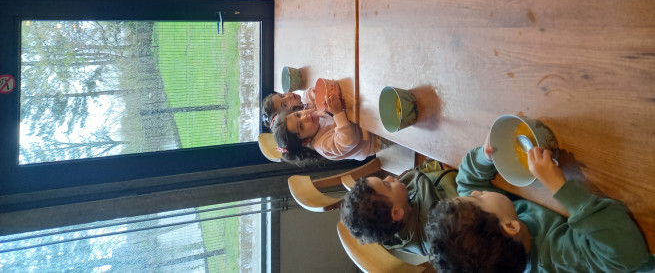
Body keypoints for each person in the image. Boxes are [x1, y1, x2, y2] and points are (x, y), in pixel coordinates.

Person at [425, 137, 650, 272]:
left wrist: (485, 158)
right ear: (510, 226)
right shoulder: (559, 259)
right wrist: (559, 186)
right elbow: (626, 254)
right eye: (478, 198)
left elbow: (466, 183)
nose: (475, 192)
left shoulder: (498, 228)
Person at [340, 160, 458, 256]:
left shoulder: (399, 202)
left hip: (448, 165)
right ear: (396, 213)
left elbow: (416, 173)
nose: (389, 177)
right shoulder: (438, 224)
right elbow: (464, 204)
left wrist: (438, 165)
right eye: (386, 184)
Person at [271, 93, 381, 166]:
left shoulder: (314, 119)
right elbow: (349, 140)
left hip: (364, 121)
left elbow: (307, 96)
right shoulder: (322, 145)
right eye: (301, 126)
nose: (305, 117)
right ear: (306, 141)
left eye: (298, 114)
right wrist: (338, 113)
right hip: (372, 140)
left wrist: (313, 93)